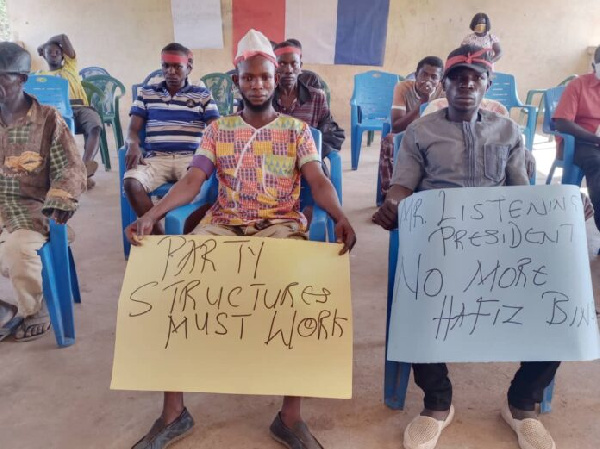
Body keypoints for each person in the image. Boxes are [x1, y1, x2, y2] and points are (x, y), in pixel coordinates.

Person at [125, 29, 356, 449]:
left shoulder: (296, 131)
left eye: (265, 77)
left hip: (280, 225)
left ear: (275, 79)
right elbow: (193, 182)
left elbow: (318, 181)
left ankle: (289, 416)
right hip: (225, 224)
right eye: (248, 78)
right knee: (171, 288)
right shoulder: (218, 130)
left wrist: (339, 215)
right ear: (237, 82)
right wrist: (153, 215)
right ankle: (174, 411)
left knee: (302, 296)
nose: (257, 84)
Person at [373, 45, 570, 449]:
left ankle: (521, 403)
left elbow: (523, 196)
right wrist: (392, 203)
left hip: (500, 244)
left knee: (562, 300)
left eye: (475, 77)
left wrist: (566, 205)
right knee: (413, 298)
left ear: (487, 84)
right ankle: (438, 404)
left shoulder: (507, 131)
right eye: (457, 77)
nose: (466, 84)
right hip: (440, 243)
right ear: (443, 84)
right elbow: (402, 185)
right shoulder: (421, 131)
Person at [0, 42, 86, 342]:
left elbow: (72, 168)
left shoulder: (48, 119)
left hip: (31, 209)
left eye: (2, 77)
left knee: (18, 250)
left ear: (22, 78)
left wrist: (61, 199)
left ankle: (33, 310)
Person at [123, 43, 219, 235]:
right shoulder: (146, 93)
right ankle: (159, 236)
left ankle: (177, 231)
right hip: (156, 158)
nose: (171, 71)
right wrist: (132, 144)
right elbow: (133, 130)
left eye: (177, 66)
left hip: (190, 159)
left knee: (194, 189)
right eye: (166, 66)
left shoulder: (202, 95)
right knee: (131, 183)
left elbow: (215, 129)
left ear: (188, 68)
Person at [37, 34, 103, 189]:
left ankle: (85, 167)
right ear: (44, 56)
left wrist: (46, 44)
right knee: (50, 135)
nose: (54, 54)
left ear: (63, 55)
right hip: (58, 112)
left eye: (57, 52)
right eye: (50, 52)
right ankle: (77, 175)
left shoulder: (70, 66)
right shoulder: (42, 76)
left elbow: (63, 37)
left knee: (94, 125)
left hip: (80, 109)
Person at [377, 56, 444, 201]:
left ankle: (427, 197)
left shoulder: (444, 91)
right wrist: (422, 104)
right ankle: (390, 198)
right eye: (424, 74)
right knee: (389, 141)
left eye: (434, 77)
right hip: (407, 132)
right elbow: (396, 125)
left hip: (435, 135)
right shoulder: (403, 88)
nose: (428, 80)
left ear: (440, 80)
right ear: (416, 74)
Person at [273, 39, 344, 163]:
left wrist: (309, 153)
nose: (289, 70)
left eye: (294, 64)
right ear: (274, 67)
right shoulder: (266, 99)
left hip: (308, 164)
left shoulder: (316, 98)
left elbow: (332, 134)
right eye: (282, 64)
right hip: (274, 165)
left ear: (300, 66)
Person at [553, 45, 600, 231]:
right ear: (593, 65)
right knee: (597, 164)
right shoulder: (578, 85)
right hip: (580, 141)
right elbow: (562, 123)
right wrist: (595, 140)